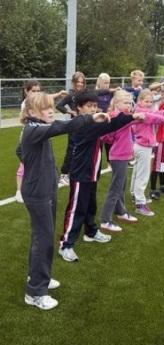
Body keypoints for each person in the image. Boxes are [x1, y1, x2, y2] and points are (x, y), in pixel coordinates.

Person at [19, 92, 108, 310]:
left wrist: (34, 167)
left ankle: (40, 278)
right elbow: (59, 127)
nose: (50, 111)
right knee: (44, 239)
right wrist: (90, 118)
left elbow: (19, 150)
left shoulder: (36, 130)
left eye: (50, 107)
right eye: (44, 108)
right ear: (31, 113)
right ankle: (35, 292)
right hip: (38, 193)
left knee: (44, 238)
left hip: (45, 190)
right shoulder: (33, 129)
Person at [58, 90, 141, 262]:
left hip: (91, 172)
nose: (93, 109)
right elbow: (112, 124)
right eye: (89, 106)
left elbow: (111, 125)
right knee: (77, 209)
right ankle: (66, 244)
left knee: (90, 205)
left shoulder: (94, 121)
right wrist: (132, 116)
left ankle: (91, 231)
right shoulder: (81, 124)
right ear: (79, 108)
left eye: (95, 106)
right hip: (81, 174)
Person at [99, 90, 147, 232]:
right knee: (115, 189)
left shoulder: (125, 116)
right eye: (125, 103)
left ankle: (120, 212)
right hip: (118, 156)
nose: (128, 105)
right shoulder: (116, 116)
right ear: (116, 103)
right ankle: (105, 220)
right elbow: (105, 135)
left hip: (124, 156)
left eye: (129, 103)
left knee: (121, 186)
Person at [130, 89, 164, 214]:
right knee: (142, 177)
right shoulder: (141, 112)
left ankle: (134, 195)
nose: (148, 104)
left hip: (141, 146)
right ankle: (140, 204)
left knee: (137, 173)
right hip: (143, 147)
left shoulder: (145, 110)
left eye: (150, 101)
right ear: (140, 101)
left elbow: (161, 112)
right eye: (146, 101)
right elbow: (154, 117)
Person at [16, 80, 67, 203]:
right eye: (33, 91)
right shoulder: (27, 104)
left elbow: (47, 98)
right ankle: (19, 190)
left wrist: (58, 93)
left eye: (38, 91)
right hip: (31, 135)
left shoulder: (38, 101)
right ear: (26, 91)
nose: (36, 93)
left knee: (41, 158)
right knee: (24, 166)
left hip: (38, 132)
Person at [56, 71, 87, 186]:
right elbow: (58, 105)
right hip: (74, 126)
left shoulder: (85, 94)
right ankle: (64, 174)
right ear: (74, 83)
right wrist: (70, 111)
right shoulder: (71, 95)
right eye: (77, 82)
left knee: (82, 149)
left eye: (82, 82)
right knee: (71, 149)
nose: (80, 84)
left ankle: (75, 171)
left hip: (85, 125)